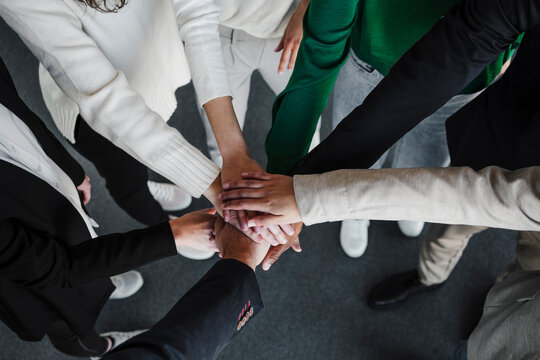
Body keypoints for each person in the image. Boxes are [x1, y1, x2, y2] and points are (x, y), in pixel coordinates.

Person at [0, 0, 293, 254]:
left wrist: (233, 152)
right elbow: (105, 100)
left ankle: (158, 193)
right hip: (95, 115)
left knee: (155, 158)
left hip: (154, 74)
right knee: (130, 183)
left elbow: (197, 12)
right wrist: (218, 187)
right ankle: (166, 225)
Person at [263, 0, 520, 259]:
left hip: (467, 70)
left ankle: (409, 204)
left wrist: (513, 46)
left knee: (427, 154)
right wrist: (285, 180)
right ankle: (354, 212)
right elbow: (318, 56)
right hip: (375, 54)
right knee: (353, 148)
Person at [0, 57, 218, 358]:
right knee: (68, 323)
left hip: (50, 205)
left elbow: (19, 115)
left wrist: (70, 170)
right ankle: (100, 348)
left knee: (81, 236)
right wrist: (174, 235)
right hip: (30, 281)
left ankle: (103, 280)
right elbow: (59, 267)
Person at [199, 0, 321, 167]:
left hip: (289, 28)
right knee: (221, 149)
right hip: (221, 30)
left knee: (305, 137)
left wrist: (307, 8)